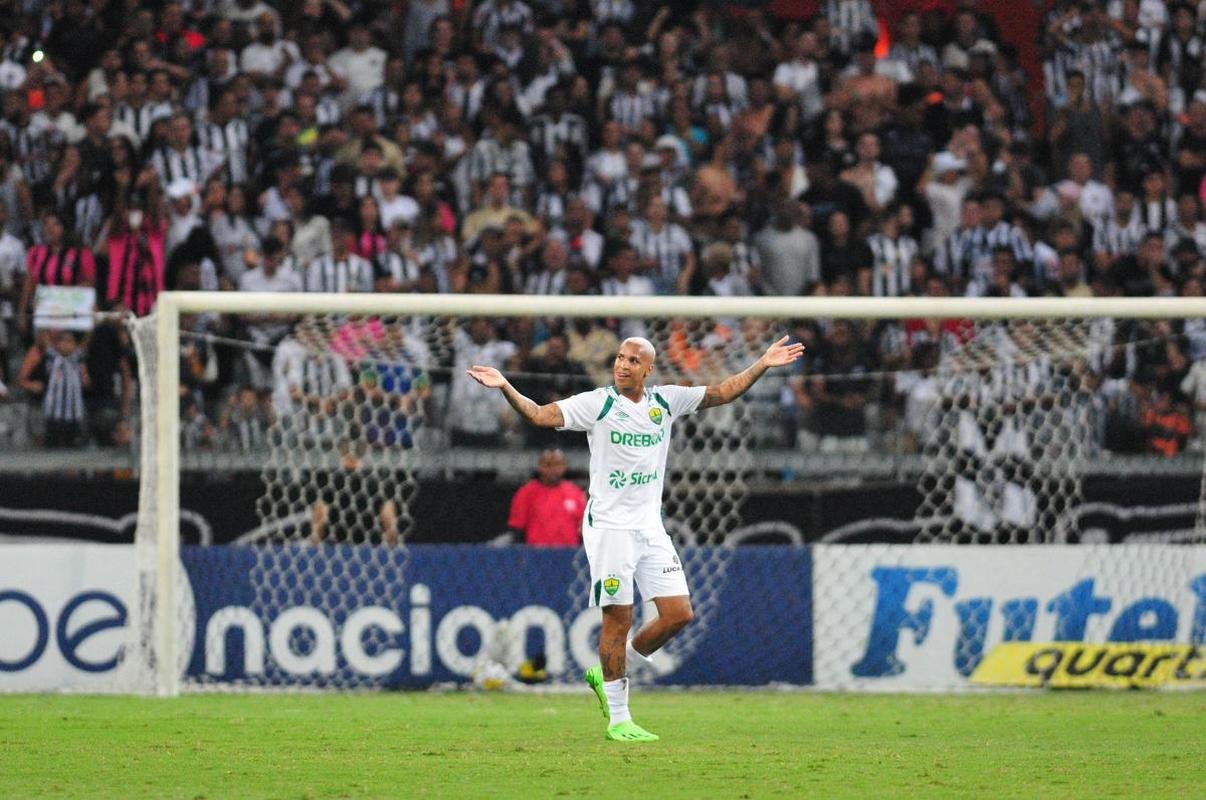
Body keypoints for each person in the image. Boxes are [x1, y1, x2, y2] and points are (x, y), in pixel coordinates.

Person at [466, 333, 803, 742]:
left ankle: (609, 669)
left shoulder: (665, 402)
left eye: (632, 360)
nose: (623, 365)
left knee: (679, 614)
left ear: (648, 369)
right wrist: (505, 386)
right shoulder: (598, 403)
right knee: (618, 618)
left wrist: (762, 364)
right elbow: (539, 415)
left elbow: (720, 392)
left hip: (649, 526)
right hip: (610, 528)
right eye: (620, 358)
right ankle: (619, 719)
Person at [507, 448, 585, 547]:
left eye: (557, 464)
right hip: (536, 555)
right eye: (548, 465)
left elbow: (584, 528)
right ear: (540, 466)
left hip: (568, 554)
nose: (552, 469)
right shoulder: (526, 493)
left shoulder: (575, 493)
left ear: (564, 466)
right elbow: (517, 530)